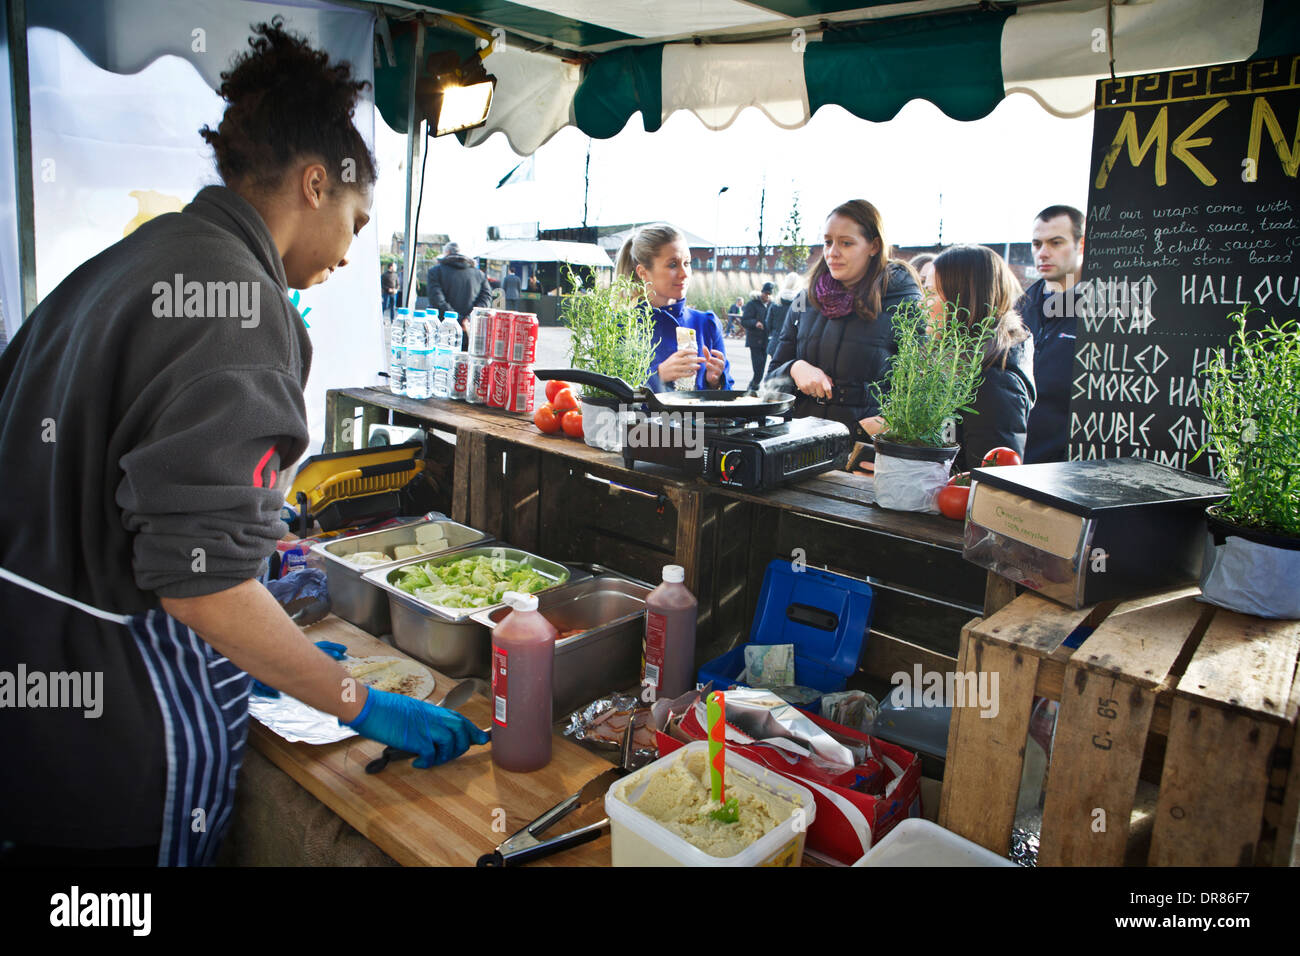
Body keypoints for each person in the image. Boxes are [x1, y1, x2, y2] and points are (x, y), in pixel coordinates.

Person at [0, 19, 485, 866]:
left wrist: (272, 656)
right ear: (312, 185)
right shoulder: (243, 301)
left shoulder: (124, 264)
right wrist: (357, 703)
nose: (356, 241)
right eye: (358, 213)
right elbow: (202, 584)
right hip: (124, 736)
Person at [765, 199, 923, 467]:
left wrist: (886, 426)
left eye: (846, 243)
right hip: (798, 447)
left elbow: (920, 390)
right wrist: (795, 368)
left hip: (863, 456)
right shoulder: (805, 300)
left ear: (874, 245)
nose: (832, 253)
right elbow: (770, 381)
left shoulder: (903, 302)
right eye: (828, 242)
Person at [929, 244, 1037, 472]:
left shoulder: (994, 380)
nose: (922, 303)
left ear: (964, 300)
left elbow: (991, 482)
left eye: (932, 293)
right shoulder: (958, 363)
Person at [615, 223, 732, 391]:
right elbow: (610, 399)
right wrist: (658, 375)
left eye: (687, 263)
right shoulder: (620, 328)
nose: (684, 273)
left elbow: (730, 403)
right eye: (672, 265)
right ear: (643, 272)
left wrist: (716, 383)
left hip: (700, 419)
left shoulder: (708, 324)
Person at [1017, 205, 1085, 464]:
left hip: (1069, 471)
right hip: (1011, 465)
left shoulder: (1106, 310)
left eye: (1056, 242)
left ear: (1081, 243)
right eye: (1036, 244)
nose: (1043, 253)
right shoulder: (1018, 307)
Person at [427, 240, 492, 349]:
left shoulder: (435, 272)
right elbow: (486, 299)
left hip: (443, 331)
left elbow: (437, 299)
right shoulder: (479, 274)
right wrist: (468, 319)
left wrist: (455, 319)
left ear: (446, 253)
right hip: (470, 331)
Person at [740, 283, 774, 391]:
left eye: (769, 294)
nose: (767, 296)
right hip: (755, 340)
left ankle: (754, 386)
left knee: (762, 367)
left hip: (765, 340)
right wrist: (755, 323)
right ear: (762, 292)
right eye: (766, 294)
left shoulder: (771, 305)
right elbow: (744, 321)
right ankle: (753, 386)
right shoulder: (752, 304)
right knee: (758, 368)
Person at [765, 273, 802, 364]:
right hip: (794, 346)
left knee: (775, 373)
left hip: (776, 343)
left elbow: (768, 323)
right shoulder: (800, 302)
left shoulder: (776, 301)